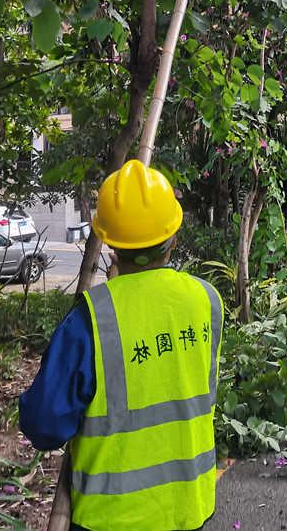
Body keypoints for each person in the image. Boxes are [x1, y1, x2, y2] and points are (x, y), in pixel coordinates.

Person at [20, 160, 224, 531]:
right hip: (190, 509)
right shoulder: (207, 300)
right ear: (173, 237)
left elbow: (43, 425)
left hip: (110, 520)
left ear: (110, 244)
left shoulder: (89, 320)